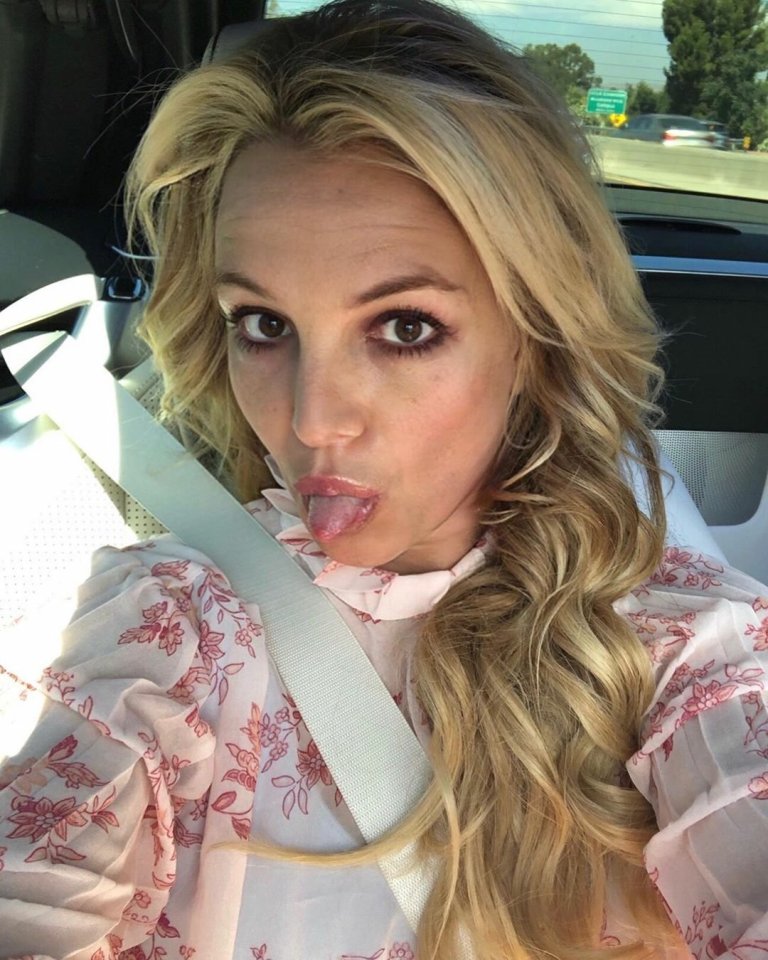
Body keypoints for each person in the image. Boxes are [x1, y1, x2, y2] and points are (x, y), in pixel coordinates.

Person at [1, 1, 767, 958]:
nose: (312, 419)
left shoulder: (683, 651)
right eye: (264, 325)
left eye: (405, 327)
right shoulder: (165, 632)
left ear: (536, 337)